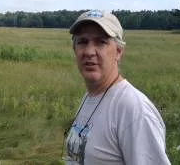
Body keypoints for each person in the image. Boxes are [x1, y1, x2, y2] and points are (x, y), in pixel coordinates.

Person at [63, 10, 171, 165]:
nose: (89, 52)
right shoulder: (90, 97)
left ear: (119, 52)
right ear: (75, 49)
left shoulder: (134, 110)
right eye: (82, 42)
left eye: (101, 42)